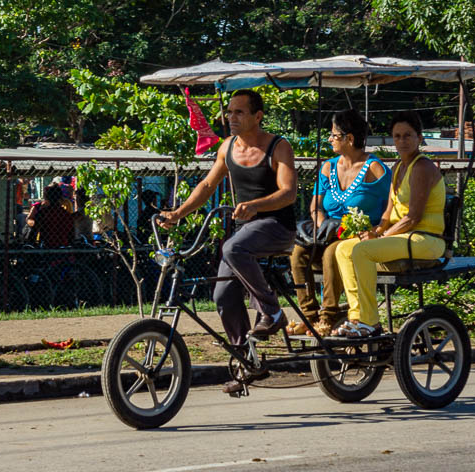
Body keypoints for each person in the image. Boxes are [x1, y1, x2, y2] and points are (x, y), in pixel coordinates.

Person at [160, 90, 297, 358]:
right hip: (244, 236)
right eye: (229, 111)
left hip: (277, 227)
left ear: (258, 116)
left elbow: (289, 192)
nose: (230, 117)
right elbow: (208, 184)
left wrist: (256, 205)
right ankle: (245, 360)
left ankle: (272, 311)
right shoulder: (227, 146)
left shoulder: (278, 146)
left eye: (239, 112)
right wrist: (177, 214)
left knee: (233, 248)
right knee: (222, 297)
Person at [334, 111, 446, 338]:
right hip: (404, 237)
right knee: (343, 248)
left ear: (419, 138)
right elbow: (389, 211)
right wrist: (376, 230)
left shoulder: (422, 167)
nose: (402, 141)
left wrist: (381, 238)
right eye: (397, 136)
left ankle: (370, 321)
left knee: (363, 251)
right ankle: (357, 315)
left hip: (426, 239)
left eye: (407, 136)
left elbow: (412, 217)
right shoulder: (398, 167)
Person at [287, 109, 391, 337]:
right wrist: (324, 226)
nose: (330, 139)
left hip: (358, 236)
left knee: (331, 253)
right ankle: (310, 315)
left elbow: (391, 204)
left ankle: (328, 316)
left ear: (349, 138)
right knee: (297, 254)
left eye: (334, 135)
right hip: (327, 231)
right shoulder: (328, 167)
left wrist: (377, 230)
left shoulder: (375, 168)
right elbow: (316, 206)